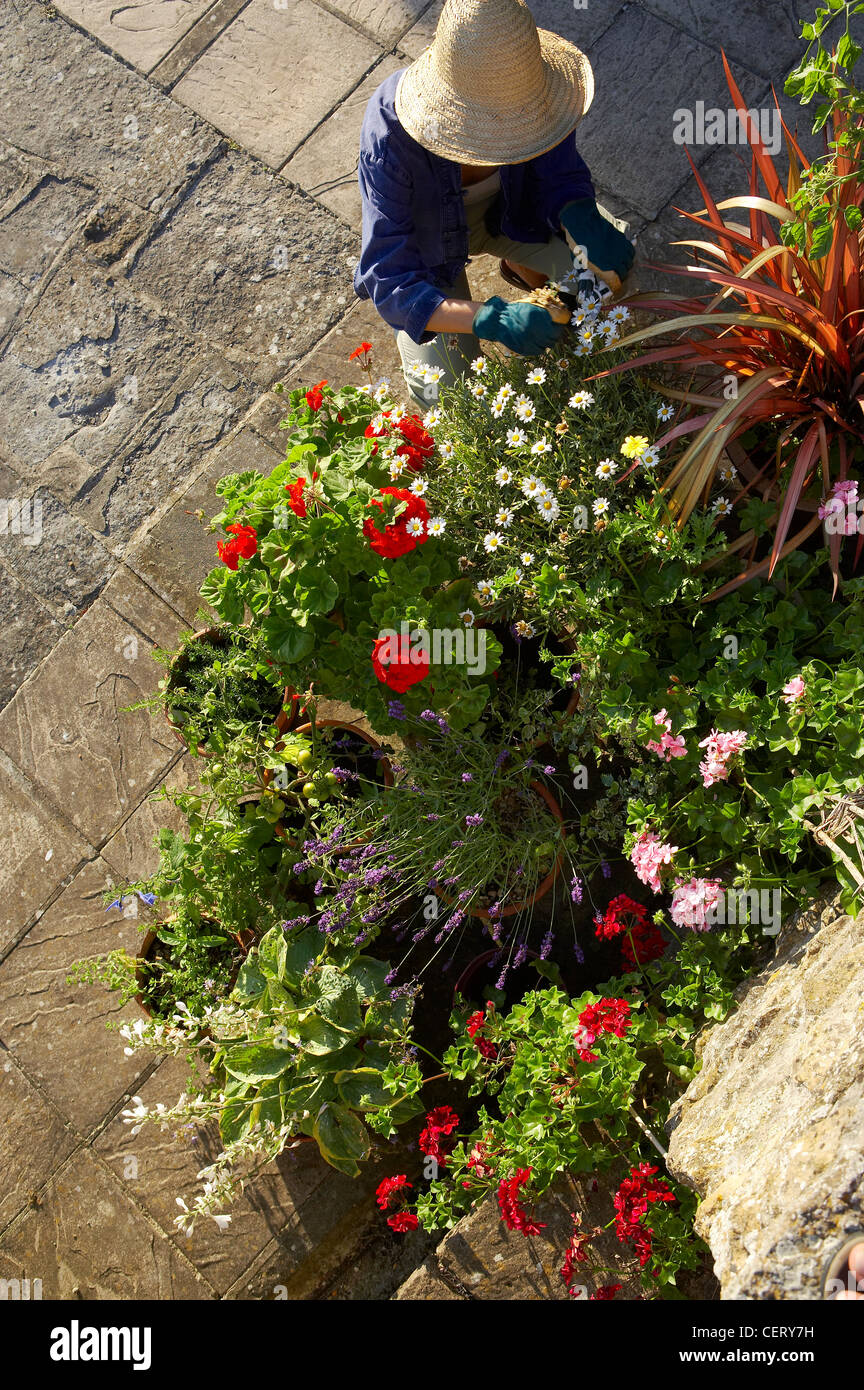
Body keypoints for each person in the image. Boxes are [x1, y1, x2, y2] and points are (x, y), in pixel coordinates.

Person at [353, 0, 635, 408]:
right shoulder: (391, 139)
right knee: (448, 395)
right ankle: (529, 281)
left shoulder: (535, 88)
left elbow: (559, 173)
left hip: (512, 215)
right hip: (429, 254)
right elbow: (389, 280)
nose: (510, 140)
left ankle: (526, 270)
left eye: (519, 126)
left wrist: (580, 213)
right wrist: (489, 319)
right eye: (493, 132)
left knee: (607, 278)